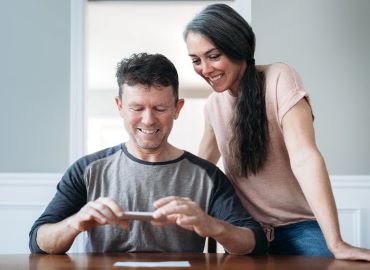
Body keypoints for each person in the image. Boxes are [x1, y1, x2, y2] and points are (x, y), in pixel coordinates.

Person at [29, 52, 267, 255]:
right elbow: (38, 241)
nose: (148, 119)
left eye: (160, 108)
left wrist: (212, 226)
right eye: (137, 108)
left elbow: (253, 241)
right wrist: (75, 222)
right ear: (119, 106)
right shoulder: (87, 170)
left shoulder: (207, 175)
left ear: (177, 108)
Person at [184, 3, 370, 260]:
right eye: (196, 60)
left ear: (238, 48)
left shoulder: (279, 79)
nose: (204, 69)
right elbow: (200, 171)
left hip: (299, 227)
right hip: (247, 232)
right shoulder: (214, 105)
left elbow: (305, 158)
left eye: (213, 56)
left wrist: (336, 242)